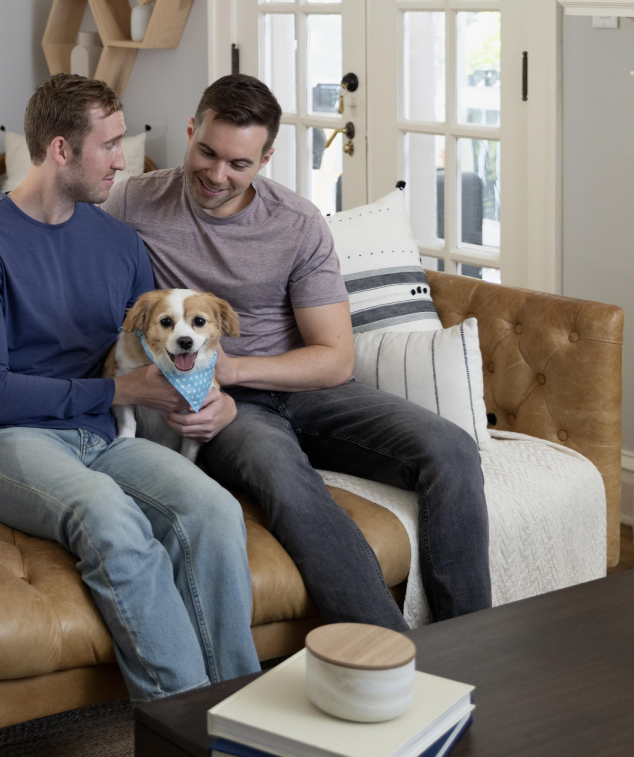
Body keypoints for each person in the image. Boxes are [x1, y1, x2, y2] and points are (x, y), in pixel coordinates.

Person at [100, 74, 491, 629]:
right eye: (206, 153)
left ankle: (473, 645)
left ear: (266, 158)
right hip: (225, 409)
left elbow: (334, 357)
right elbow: (53, 241)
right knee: (283, 474)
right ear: (190, 132)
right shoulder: (133, 200)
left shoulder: (297, 222)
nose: (217, 175)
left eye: (239, 164)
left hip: (306, 389)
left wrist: (231, 367)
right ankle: (390, 657)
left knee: (450, 450)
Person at [0, 73, 260, 703]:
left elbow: (159, 346)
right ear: (61, 151)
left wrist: (209, 397)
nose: (123, 160)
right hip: (5, 443)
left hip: (106, 437)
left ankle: (245, 718)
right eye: (110, 145)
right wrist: (116, 395)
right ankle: (188, 735)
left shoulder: (120, 243)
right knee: (109, 516)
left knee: (214, 510)